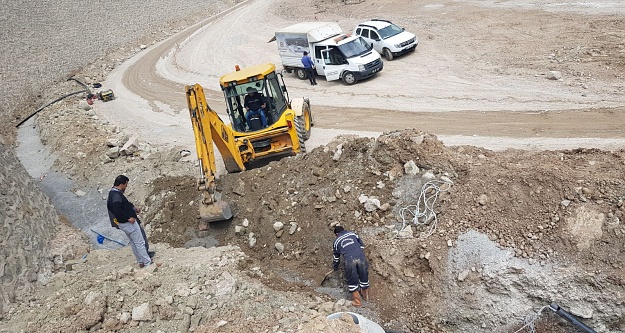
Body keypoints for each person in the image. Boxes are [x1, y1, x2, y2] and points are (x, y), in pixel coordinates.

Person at [107, 175, 155, 268]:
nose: (126, 186)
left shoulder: (112, 194)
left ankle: (141, 261)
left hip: (123, 223)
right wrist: (128, 218)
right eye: (126, 184)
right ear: (121, 184)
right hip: (128, 223)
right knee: (140, 242)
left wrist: (132, 209)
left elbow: (119, 207)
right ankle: (147, 262)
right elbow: (117, 210)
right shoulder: (116, 195)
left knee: (134, 243)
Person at [332, 225, 370, 307]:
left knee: (352, 279)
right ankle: (365, 296)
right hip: (361, 257)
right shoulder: (353, 234)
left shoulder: (336, 241)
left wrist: (335, 267)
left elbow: (336, 257)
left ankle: (357, 302)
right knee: (364, 275)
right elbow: (362, 245)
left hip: (349, 260)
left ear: (336, 234)